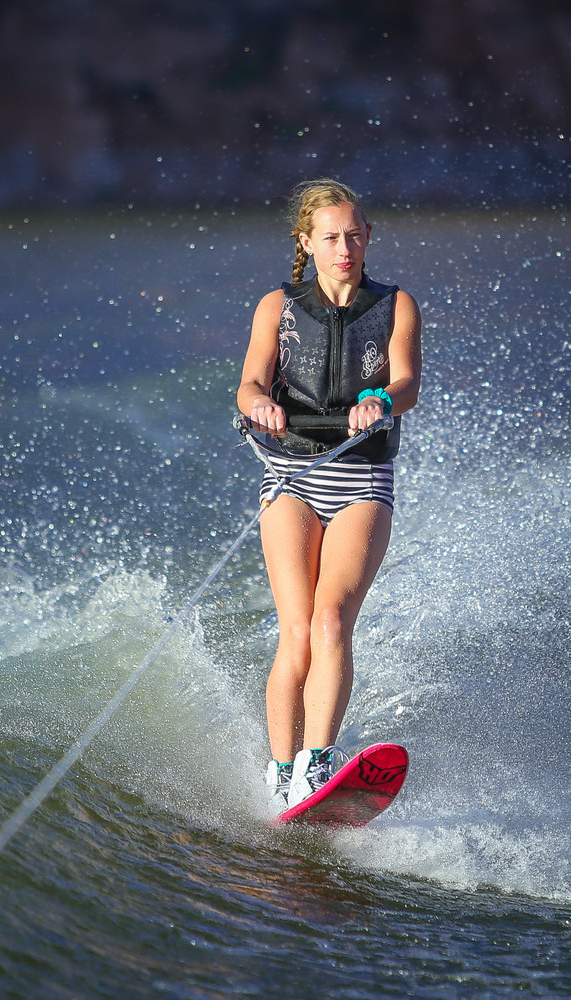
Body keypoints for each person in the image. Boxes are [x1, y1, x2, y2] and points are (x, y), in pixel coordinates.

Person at [236, 178, 422, 813]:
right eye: (331, 237)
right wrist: (260, 404)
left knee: (331, 619)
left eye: (354, 236)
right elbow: (250, 383)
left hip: (361, 476)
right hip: (290, 474)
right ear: (307, 242)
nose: (344, 249)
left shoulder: (396, 305)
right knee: (297, 632)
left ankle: (316, 766)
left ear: (369, 237)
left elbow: (407, 383)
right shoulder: (277, 306)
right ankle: (280, 771)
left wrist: (381, 401)